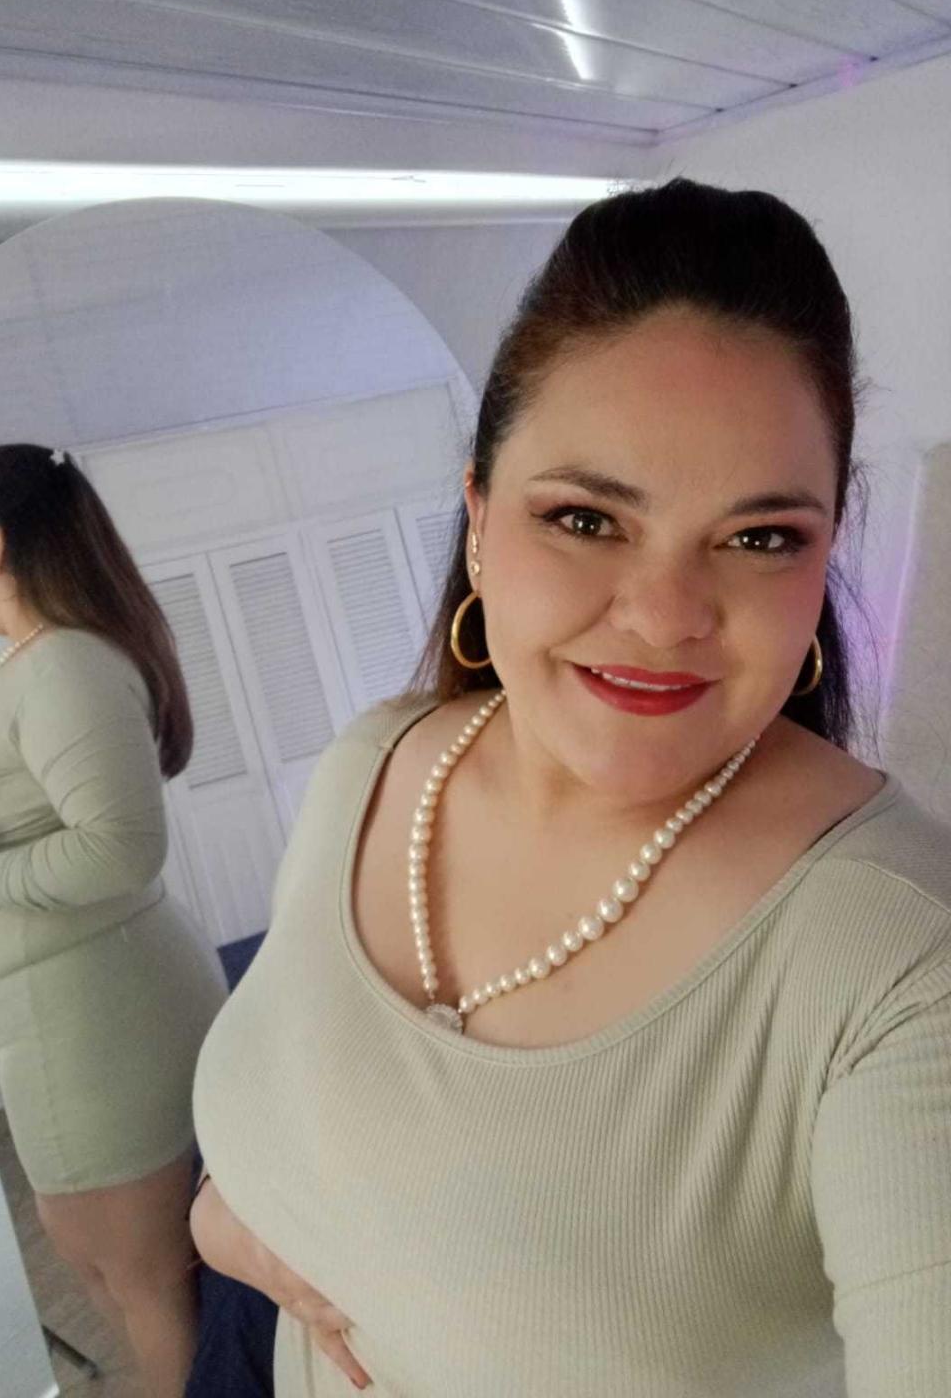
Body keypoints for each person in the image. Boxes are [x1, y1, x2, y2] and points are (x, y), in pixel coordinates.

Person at [187, 178, 951, 1396]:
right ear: (478, 520)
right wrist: (227, 1221)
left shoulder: (903, 961)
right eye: (588, 519)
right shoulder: (377, 761)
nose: (664, 616)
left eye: (760, 537)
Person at [0, 443, 228, 1397]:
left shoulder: (68, 665)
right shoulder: (30, 668)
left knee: (141, 1278)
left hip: (97, 1022)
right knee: (109, 1267)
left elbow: (120, 848)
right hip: (69, 1020)